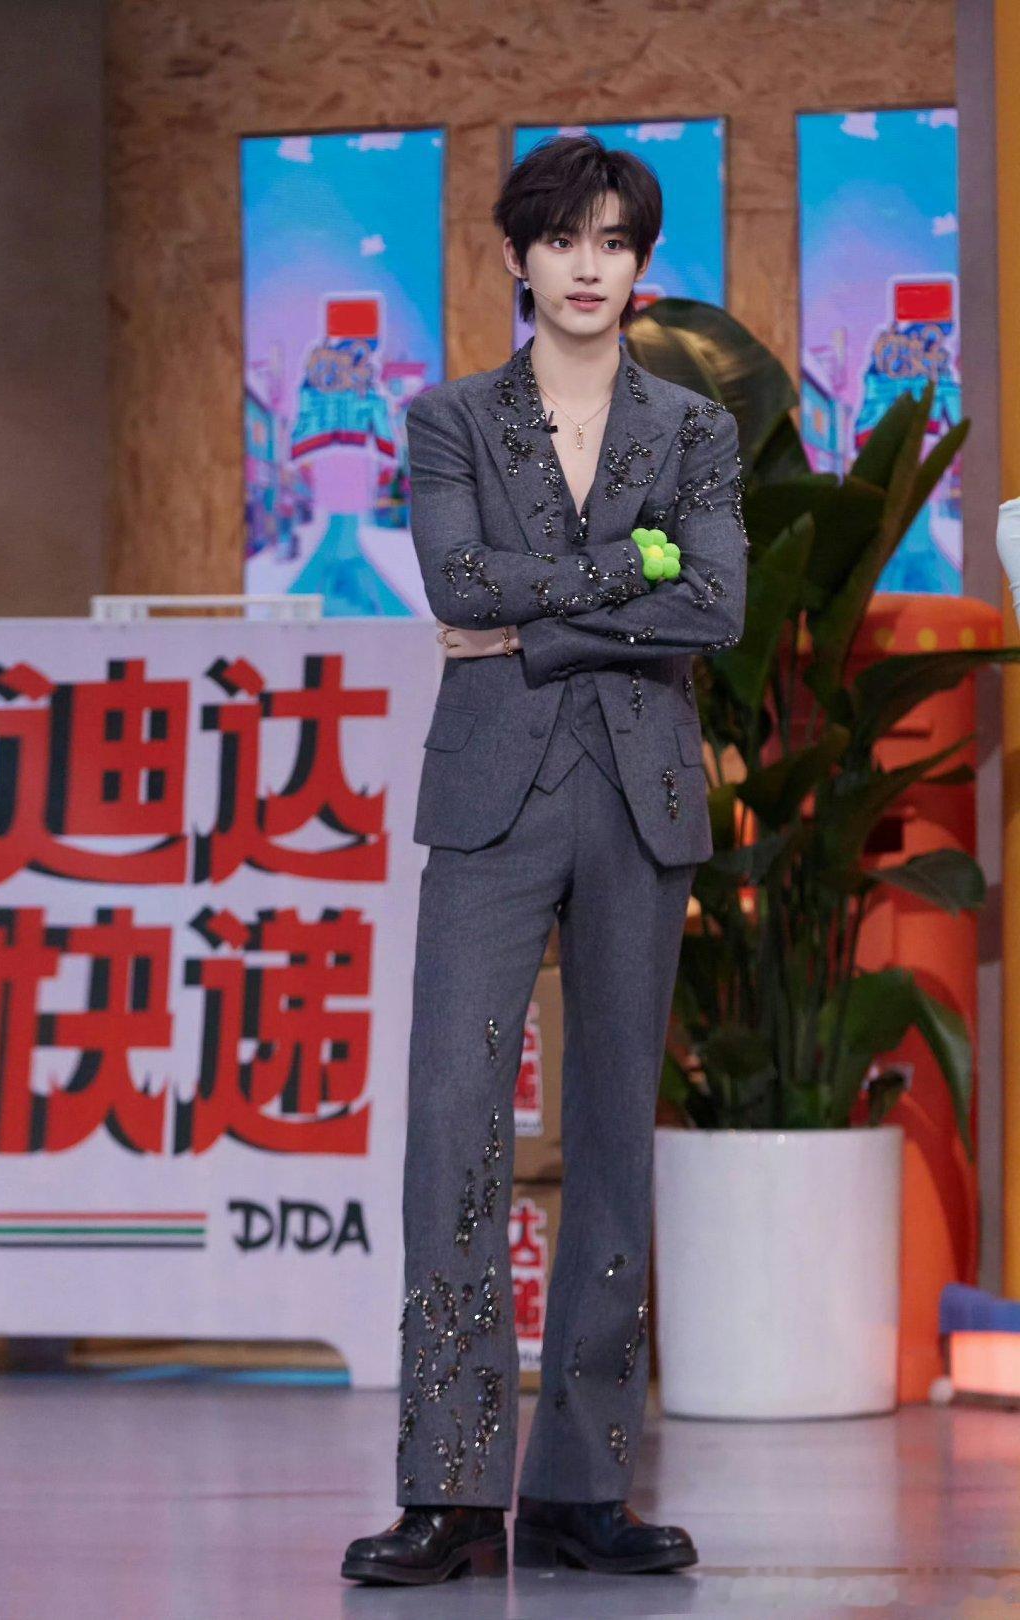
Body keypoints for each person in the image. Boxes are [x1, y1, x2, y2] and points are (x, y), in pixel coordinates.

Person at [341, 133, 748, 1587]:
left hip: (641, 799)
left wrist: (541, 624)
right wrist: (631, 567)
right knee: (453, 1123)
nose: (589, 265)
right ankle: (450, 1492)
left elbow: (717, 607)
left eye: (615, 241)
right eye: (564, 238)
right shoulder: (452, 418)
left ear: (641, 265)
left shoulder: (693, 429)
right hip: (491, 801)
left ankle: (583, 1489)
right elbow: (456, 583)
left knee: (615, 1141)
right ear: (517, 257)